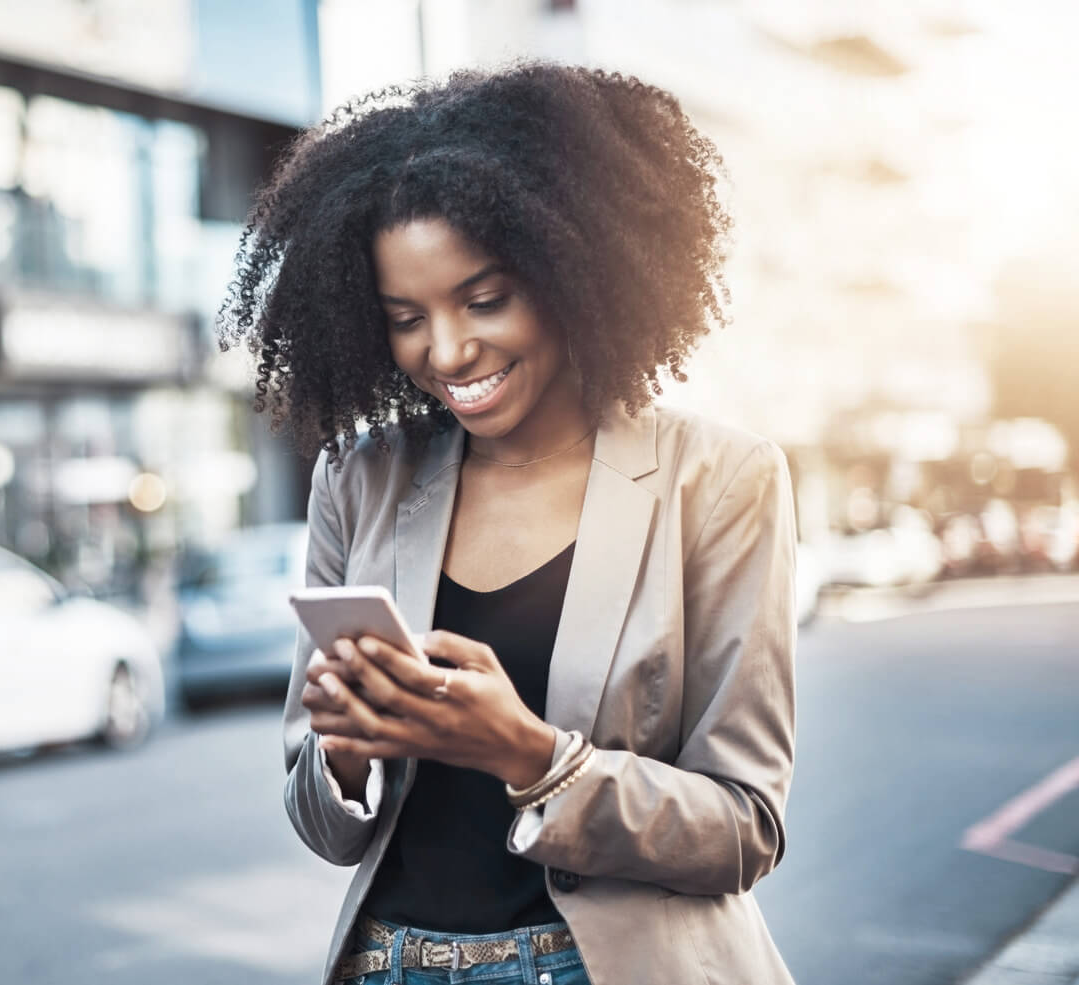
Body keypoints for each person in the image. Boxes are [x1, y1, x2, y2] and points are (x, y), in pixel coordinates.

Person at [216, 62, 797, 985]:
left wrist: (528, 754)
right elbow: (325, 827)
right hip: (390, 964)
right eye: (407, 317)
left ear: (573, 266)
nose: (446, 350)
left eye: (484, 300)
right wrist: (346, 750)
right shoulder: (357, 480)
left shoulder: (718, 481)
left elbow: (743, 827)